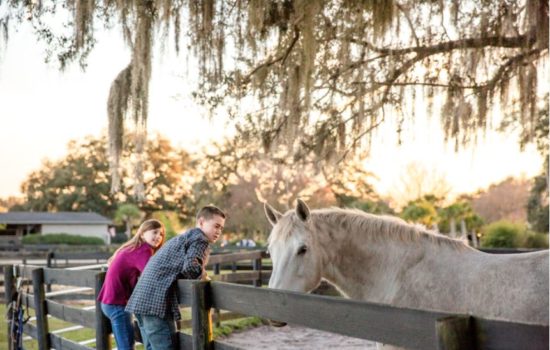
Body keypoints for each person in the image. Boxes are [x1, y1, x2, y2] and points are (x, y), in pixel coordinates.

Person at [126, 205, 226, 350]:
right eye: (216, 226)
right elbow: (191, 267)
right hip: (155, 304)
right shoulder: (200, 239)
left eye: (221, 228)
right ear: (201, 222)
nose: (218, 231)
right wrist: (204, 276)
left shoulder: (183, 237)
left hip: (140, 301)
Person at [97, 219, 166, 350]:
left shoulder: (132, 247)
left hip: (109, 303)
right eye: (155, 232)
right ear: (142, 234)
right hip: (117, 304)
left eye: (161, 234)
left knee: (124, 344)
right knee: (126, 347)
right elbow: (152, 275)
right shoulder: (143, 250)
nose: (158, 237)